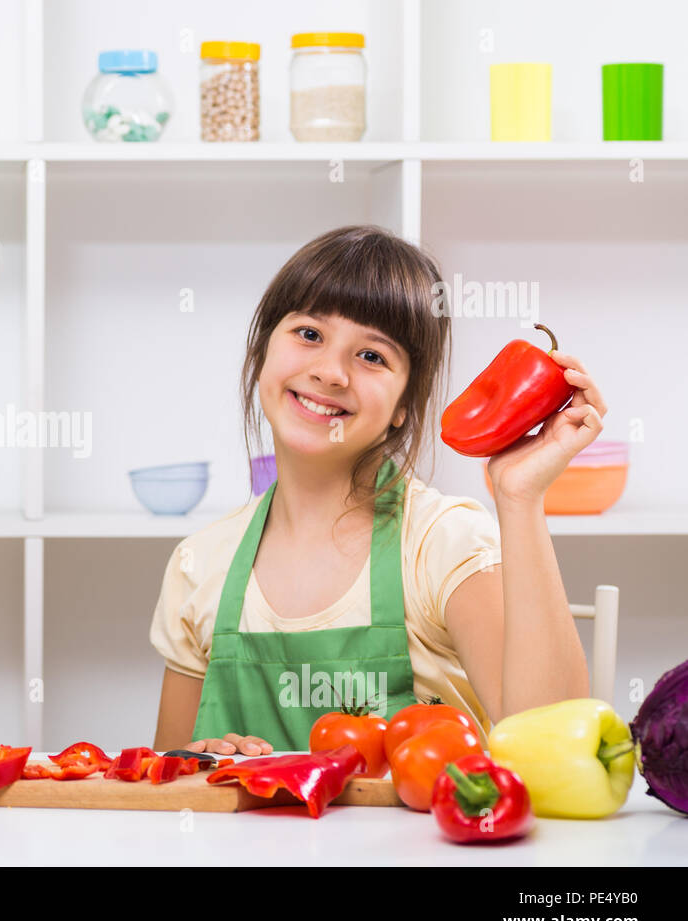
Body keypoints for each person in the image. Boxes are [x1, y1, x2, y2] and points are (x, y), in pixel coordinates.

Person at [151, 225, 600, 756]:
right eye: (310, 334)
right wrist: (208, 759)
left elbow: (552, 748)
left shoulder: (443, 542)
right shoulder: (199, 566)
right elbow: (168, 786)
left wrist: (519, 500)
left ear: (404, 406)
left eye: (372, 357)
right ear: (263, 351)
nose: (330, 373)